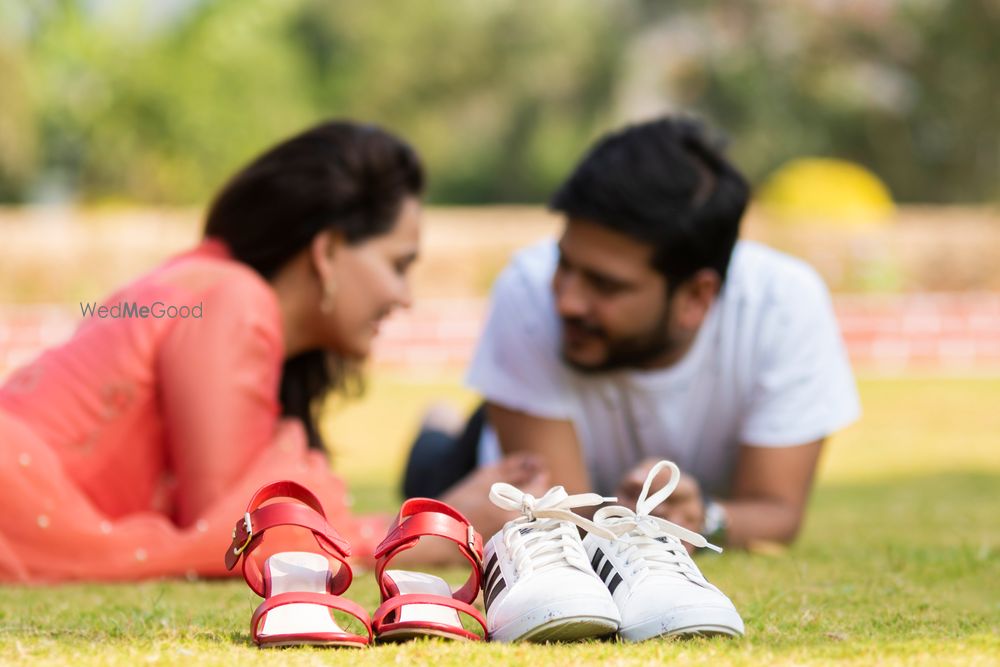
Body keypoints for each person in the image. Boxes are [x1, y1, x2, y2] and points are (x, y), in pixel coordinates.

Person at [0, 120, 538, 582]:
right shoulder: (235, 298)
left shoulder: (206, 285)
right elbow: (242, 536)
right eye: (397, 265)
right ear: (326, 252)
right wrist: (434, 530)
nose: (405, 297)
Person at [404, 116, 861, 548]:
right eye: (563, 262)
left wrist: (703, 518)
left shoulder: (783, 305)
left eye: (605, 284)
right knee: (431, 480)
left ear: (697, 297)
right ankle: (440, 429)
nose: (565, 301)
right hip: (488, 464)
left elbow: (777, 512)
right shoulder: (527, 289)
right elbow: (565, 523)